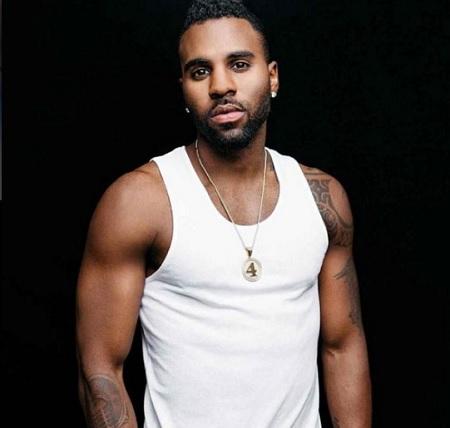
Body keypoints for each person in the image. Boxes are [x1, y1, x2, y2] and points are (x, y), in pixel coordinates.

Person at [76, 1, 372, 427]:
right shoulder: (140, 201)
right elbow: (100, 370)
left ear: (272, 76)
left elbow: (343, 346)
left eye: (239, 64)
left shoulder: (322, 199)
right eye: (200, 71)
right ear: (184, 88)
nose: (221, 85)